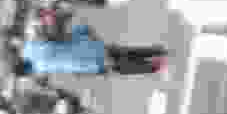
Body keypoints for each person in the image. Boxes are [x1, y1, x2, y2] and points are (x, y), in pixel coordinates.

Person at [12, 19, 164, 79]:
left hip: (86, 58)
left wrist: (92, 69)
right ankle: (155, 52)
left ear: (26, 71)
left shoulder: (40, 64)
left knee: (119, 65)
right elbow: (56, 36)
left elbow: (68, 64)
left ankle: (153, 65)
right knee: (121, 52)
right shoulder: (31, 46)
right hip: (84, 45)